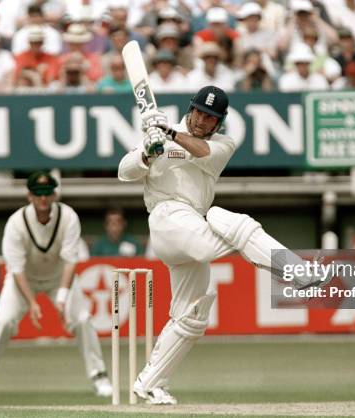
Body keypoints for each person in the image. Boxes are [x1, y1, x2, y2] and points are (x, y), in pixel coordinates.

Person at [118, 85, 322, 404]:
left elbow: (201, 153)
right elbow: (124, 172)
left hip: (192, 222)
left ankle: (150, 382)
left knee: (193, 313)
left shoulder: (223, 144)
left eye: (210, 117)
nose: (202, 120)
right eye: (199, 112)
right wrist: (146, 153)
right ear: (191, 109)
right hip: (166, 217)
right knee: (222, 225)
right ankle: (295, 270)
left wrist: (167, 133)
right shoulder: (159, 134)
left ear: (219, 122)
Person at [0, 171, 112, 399]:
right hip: (24, 282)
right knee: (2, 322)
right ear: (29, 196)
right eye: (38, 194)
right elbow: (15, 269)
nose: (43, 199)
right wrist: (32, 303)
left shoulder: (68, 217)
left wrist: (62, 299)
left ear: (54, 194)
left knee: (83, 320)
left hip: (58, 280)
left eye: (47, 193)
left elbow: (70, 260)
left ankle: (99, 376)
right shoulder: (16, 223)